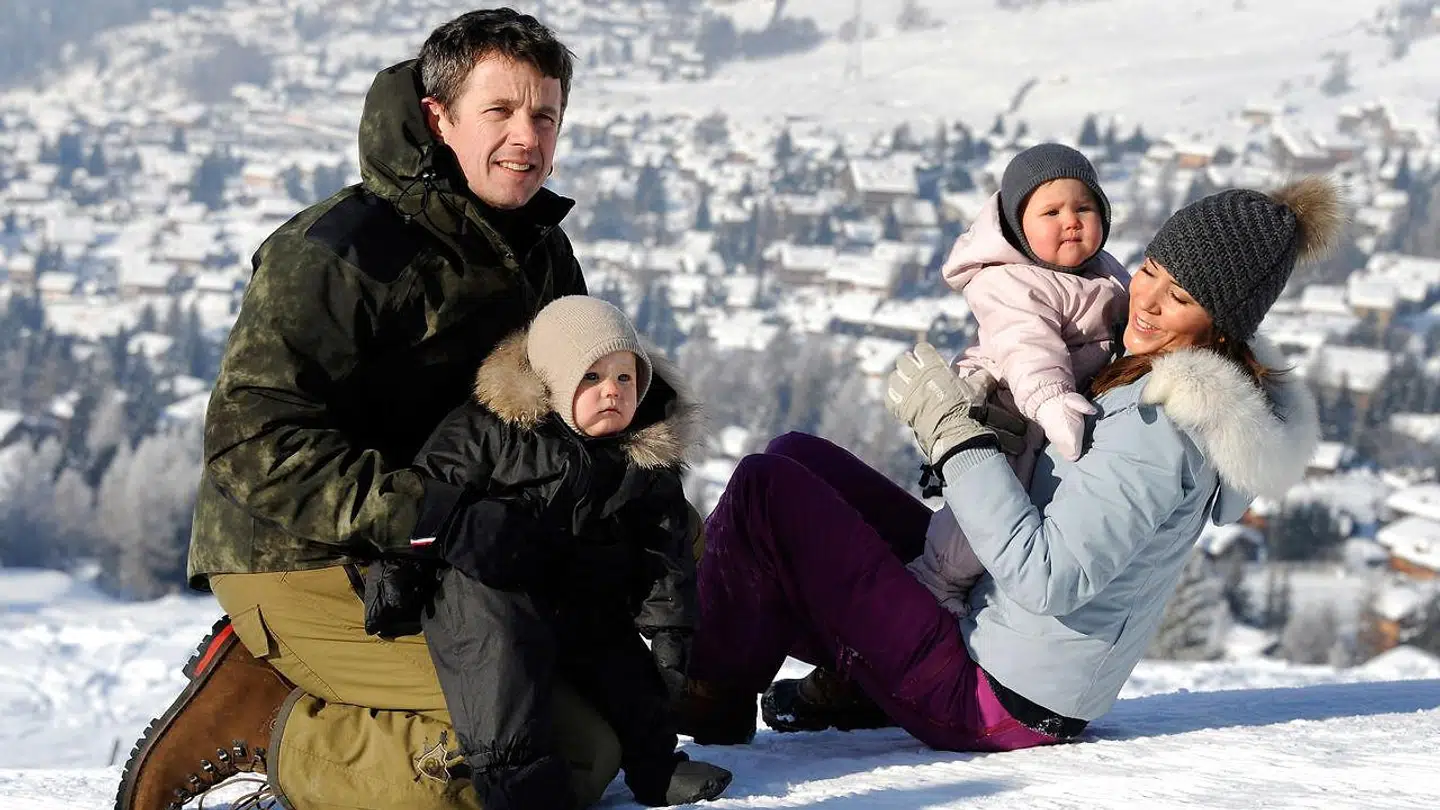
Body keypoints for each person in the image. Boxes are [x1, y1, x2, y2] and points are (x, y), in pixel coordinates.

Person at [114, 10, 672, 810]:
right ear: (437, 117)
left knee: (602, 728)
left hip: (446, 556)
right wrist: (433, 516)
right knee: (527, 758)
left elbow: (563, 409)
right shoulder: (337, 253)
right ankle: (271, 726)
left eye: (544, 114)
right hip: (298, 550)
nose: (527, 136)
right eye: (499, 111)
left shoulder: (537, 249)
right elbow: (252, 442)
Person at [676, 177, 1335, 752]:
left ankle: (710, 692)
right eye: (1153, 270)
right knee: (798, 458)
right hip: (986, 631)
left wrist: (956, 440)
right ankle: (830, 682)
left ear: (1222, 324)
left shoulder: (1159, 425)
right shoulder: (1148, 371)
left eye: (1181, 297)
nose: (1150, 301)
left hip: (993, 696)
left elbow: (1049, 579)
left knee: (766, 492)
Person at [362, 295, 730, 808]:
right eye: (592, 378)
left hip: (573, 591)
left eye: (625, 379)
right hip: (483, 586)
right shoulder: (487, 430)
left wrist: (670, 630)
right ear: (553, 382)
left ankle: (656, 765)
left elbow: (662, 548)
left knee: (625, 666)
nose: (612, 393)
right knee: (499, 663)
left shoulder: (642, 457)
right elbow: (426, 499)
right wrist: (397, 573)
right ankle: (517, 785)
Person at [915, 142, 1129, 621]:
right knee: (992, 502)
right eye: (1050, 211)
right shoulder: (1010, 280)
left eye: (1084, 207)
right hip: (1008, 404)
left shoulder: (1106, 272)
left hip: (1054, 404)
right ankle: (936, 580)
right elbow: (1026, 344)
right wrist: (1052, 399)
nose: (1070, 220)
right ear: (1017, 226)